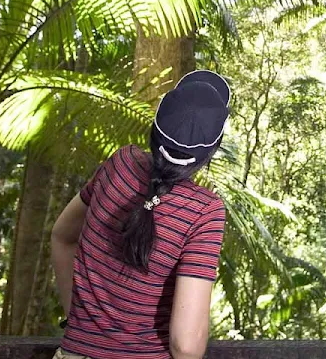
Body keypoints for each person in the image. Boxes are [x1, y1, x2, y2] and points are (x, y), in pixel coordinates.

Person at [50, 70, 231, 359]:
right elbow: (185, 345)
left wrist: (81, 324)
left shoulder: (120, 163)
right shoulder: (203, 212)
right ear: (212, 150)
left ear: (155, 129)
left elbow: (62, 236)